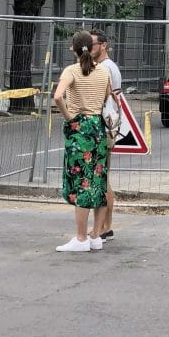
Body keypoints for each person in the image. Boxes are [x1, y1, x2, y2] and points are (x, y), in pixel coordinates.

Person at [54, 30, 113, 252]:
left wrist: (70, 117)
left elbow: (58, 96)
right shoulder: (104, 71)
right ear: (92, 47)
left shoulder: (72, 71)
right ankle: (96, 236)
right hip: (98, 128)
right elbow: (108, 95)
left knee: (81, 182)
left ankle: (80, 238)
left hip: (80, 130)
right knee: (98, 180)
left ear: (73, 49)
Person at [91, 29, 121, 242]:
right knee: (102, 177)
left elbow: (102, 98)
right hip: (108, 125)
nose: (89, 48)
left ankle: (103, 228)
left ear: (103, 45)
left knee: (100, 178)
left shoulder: (105, 68)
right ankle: (104, 227)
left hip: (104, 126)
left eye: (92, 44)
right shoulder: (107, 67)